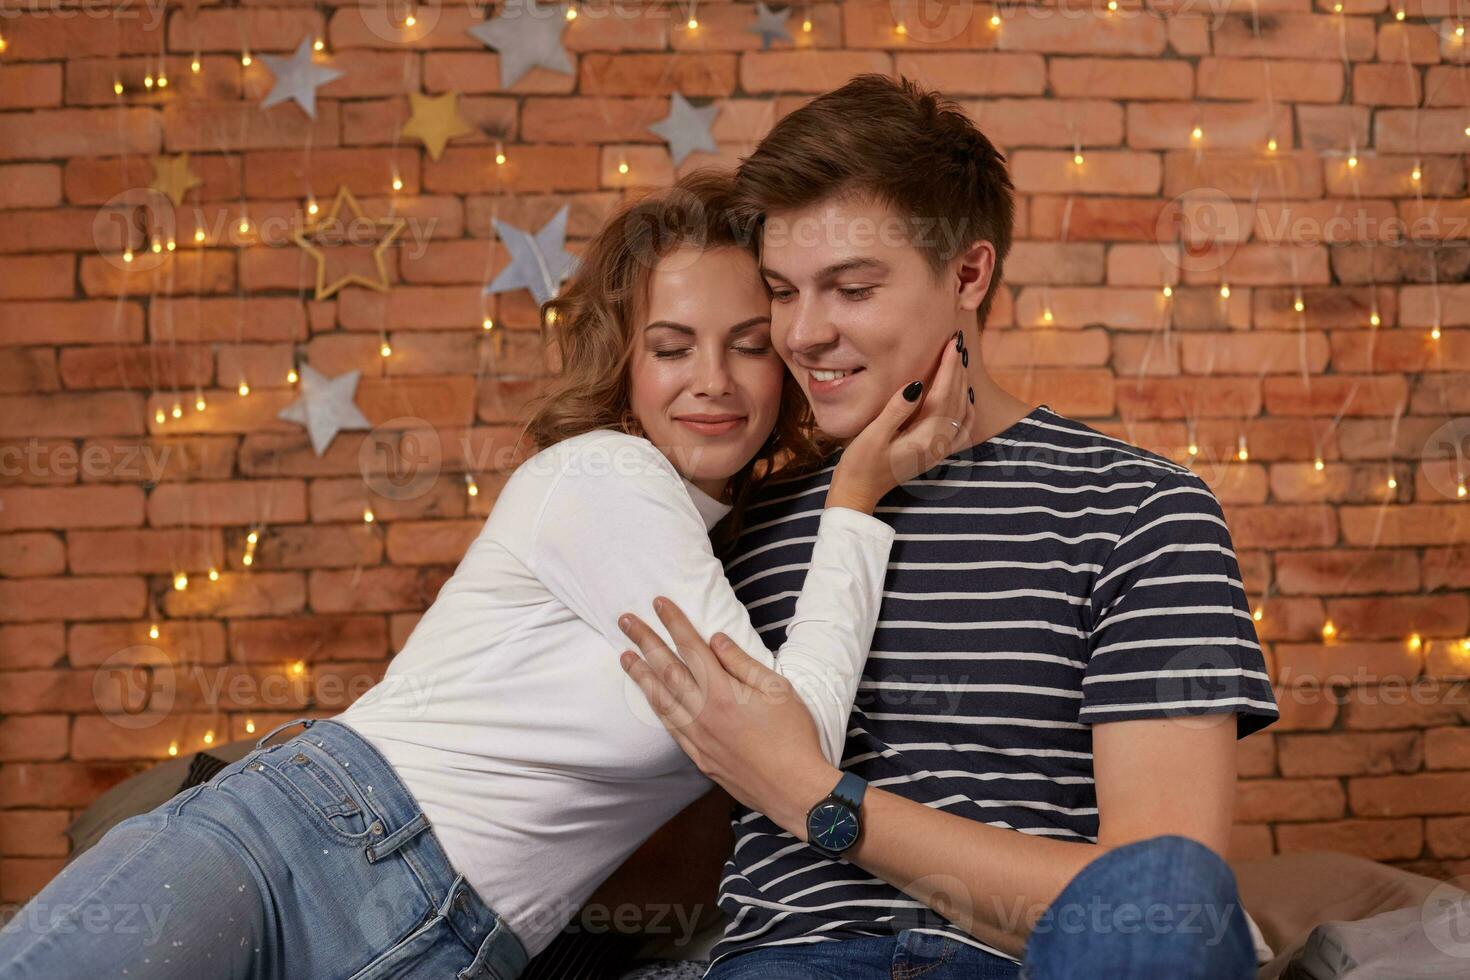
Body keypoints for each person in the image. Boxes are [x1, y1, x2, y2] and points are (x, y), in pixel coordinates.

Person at [0, 171, 972, 980]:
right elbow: (792, 747)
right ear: (626, 364)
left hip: (457, 945)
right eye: (671, 346)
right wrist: (857, 495)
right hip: (303, 847)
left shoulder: (714, 547)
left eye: (747, 345)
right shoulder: (605, 472)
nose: (710, 378)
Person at [614, 75, 1280, 980]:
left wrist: (815, 795)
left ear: (968, 273)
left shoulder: (1141, 509)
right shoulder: (746, 520)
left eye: (850, 289)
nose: (803, 334)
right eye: (782, 291)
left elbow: (1153, 904)